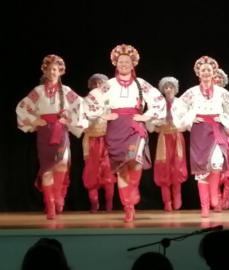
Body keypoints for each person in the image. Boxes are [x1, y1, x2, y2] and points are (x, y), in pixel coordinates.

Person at [84, 44, 166, 222]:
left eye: (126, 62)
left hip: (135, 126)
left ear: (132, 64)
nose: (123, 64)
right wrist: (102, 114)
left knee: (135, 162)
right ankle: (128, 206)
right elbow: (90, 100)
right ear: (116, 64)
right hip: (115, 128)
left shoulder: (141, 84)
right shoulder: (109, 85)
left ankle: (133, 191)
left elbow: (159, 100)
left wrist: (146, 116)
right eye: (120, 62)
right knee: (121, 169)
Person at [171, 56, 229, 218]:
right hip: (200, 131)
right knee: (202, 169)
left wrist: (226, 120)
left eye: (209, 70)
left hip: (217, 129)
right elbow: (178, 107)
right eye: (203, 70)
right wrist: (191, 117)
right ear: (198, 73)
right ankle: (205, 206)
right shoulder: (192, 92)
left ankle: (214, 195)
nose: (206, 72)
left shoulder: (221, 92)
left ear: (214, 73)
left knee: (217, 163)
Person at [16, 54, 85, 220]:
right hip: (44, 133)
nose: (53, 72)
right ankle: (51, 203)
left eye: (55, 69)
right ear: (45, 71)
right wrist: (34, 120)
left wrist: (67, 118)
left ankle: (59, 196)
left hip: (61, 131)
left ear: (60, 71)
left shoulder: (66, 91)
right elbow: (22, 107)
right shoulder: (38, 91)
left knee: (61, 165)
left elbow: (80, 104)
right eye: (50, 69)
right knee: (47, 169)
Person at [151, 76, 187, 212]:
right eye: (166, 87)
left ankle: (177, 198)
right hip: (164, 139)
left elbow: (186, 120)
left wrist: (181, 126)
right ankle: (167, 201)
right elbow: (152, 121)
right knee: (163, 168)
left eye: (171, 87)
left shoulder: (181, 103)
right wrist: (156, 127)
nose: (168, 89)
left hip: (177, 137)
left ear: (175, 89)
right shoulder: (159, 104)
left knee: (177, 166)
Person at [82, 73, 116, 212]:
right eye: (95, 83)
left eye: (100, 83)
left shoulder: (111, 102)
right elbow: (82, 121)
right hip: (91, 140)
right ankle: (94, 203)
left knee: (108, 171)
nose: (97, 86)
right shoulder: (85, 102)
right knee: (92, 172)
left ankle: (109, 203)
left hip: (107, 139)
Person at [213, 68, 229, 209]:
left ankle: (226, 198)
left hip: (228, 136)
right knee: (215, 168)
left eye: (219, 79)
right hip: (214, 136)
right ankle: (216, 198)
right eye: (214, 78)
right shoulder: (207, 98)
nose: (217, 80)